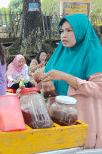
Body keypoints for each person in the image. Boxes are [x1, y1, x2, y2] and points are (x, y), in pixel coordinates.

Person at [42, 14, 102, 149]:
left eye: (70, 30)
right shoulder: (61, 52)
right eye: (62, 31)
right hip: (57, 115)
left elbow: (99, 89)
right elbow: (50, 78)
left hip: (83, 116)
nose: (64, 35)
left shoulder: (94, 53)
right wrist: (39, 80)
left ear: (81, 30)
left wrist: (65, 77)